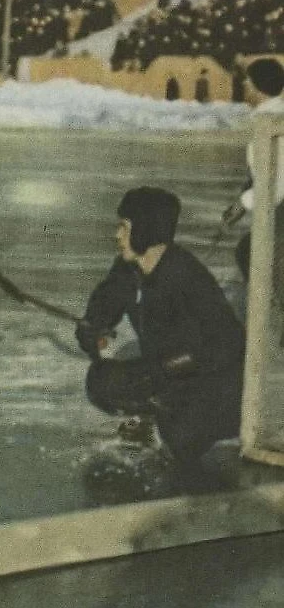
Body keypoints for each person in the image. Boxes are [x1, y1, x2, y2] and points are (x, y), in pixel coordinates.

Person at [76, 187, 245, 481]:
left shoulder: (185, 275)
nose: (117, 235)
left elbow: (227, 345)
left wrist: (166, 370)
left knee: (181, 440)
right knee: (102, 380)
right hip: (165, 376)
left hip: (211, 386)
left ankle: (179, 426)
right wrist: (91, 328)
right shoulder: (128, 269)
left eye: (124, 227)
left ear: (146, 230)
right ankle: (153, 415)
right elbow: (105, 303)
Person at [222, 58, 284, 285]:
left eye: (247, 80)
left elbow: (278, 181)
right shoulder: (270, 115)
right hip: (276, 209)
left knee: (251, 253)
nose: (244, 85)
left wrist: (244, 203)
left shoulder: (274, 121)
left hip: (281, 213)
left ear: (258, 85)